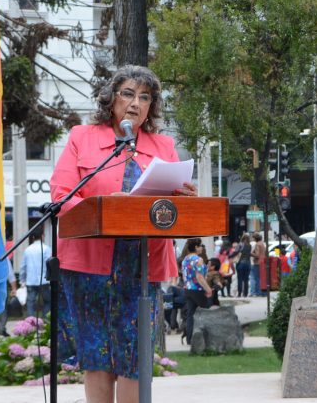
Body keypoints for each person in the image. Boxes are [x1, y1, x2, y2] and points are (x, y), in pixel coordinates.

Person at [50, 65, 197, 403]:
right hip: (88, 267)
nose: (136, 103)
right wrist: (104, 209)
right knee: (97, 357)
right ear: (111, 98)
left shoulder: (163, 145)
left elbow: (171, 209)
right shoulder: (82, 137)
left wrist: (185, 199)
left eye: (145, 97)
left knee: (135, 359)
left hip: (142, 267)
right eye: (128, 94)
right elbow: (61, 197)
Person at [180, 238, 214, 344]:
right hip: (197, 290)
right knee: (207, 311)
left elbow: (187, 274)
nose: (202, 248)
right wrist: (208, 289)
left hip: (188, 289)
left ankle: (189, 339)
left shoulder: (185, 259)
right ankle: (208, 338)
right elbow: (199, 277)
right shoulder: (198, 260)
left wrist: (206, 268)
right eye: (201, 246)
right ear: (196, 247)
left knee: (190, 315)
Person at [20, 230, 51, 318]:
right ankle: (46, 321)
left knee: (30, 303)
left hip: (31, 281)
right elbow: (49, 264)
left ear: (33, 237)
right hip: (44, 281)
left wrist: (22, 280)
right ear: (42, 236)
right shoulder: (46, 249)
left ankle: (31, 323)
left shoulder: (27, 250)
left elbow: (23, 266)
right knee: (47, 301)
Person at [250, 232, 267, 296]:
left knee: (255, 278)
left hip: (257, 262)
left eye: (253, 238)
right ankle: (262, 292)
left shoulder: (257, 244)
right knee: (261, 278)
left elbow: (257, 255)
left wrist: (250, 253)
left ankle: (256, 292)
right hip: (263, 262)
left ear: (255, 238)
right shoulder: (263, 244)